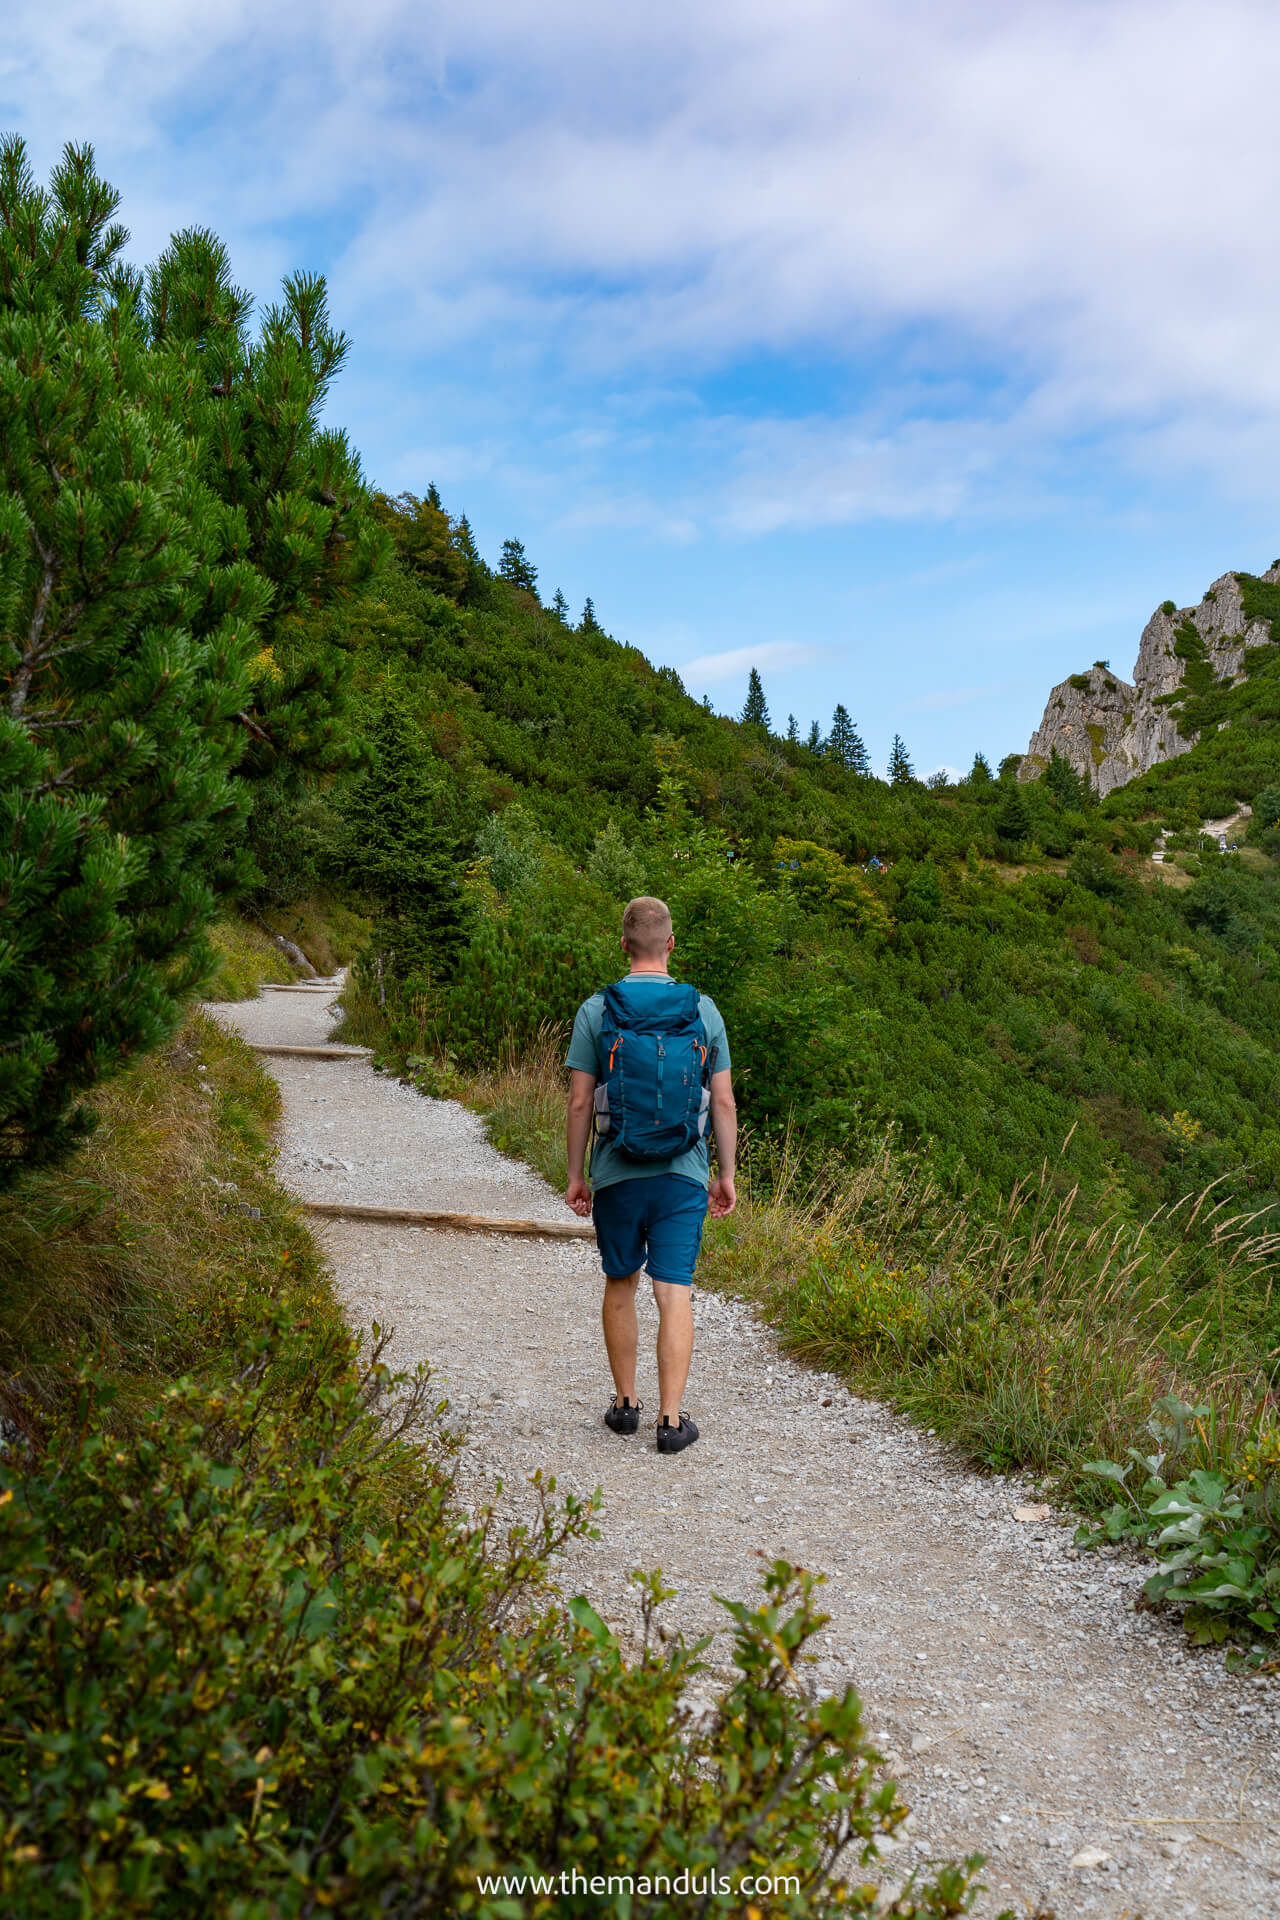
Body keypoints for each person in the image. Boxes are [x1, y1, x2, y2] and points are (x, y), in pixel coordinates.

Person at [564, 896, 736, 1455]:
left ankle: (625, 1405)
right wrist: (726, 1174)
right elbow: (723, 1102)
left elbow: (579, 1103)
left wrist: (576, 1175)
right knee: (673, 1290)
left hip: (617, 1172)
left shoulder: (597, 1010)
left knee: (621, 1281)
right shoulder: (702, 1009)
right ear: (670, 945)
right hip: (683, 1174)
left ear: (624, 945)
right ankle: (670, 1420)